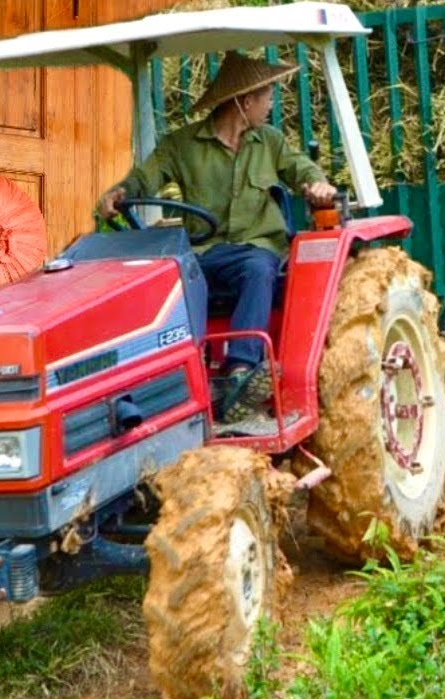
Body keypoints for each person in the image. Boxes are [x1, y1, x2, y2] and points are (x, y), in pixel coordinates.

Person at [97, 51, 338, 423]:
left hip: (255, 249)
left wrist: (317, 185)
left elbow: (301, 169)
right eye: (267, 97)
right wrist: (120, 191)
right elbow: (146, 176)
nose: (270, 106)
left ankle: (239, 373)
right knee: (163, 279)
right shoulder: (182, 145)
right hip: (204, 252)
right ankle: (164, 379)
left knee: (257, 268)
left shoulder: (270, 142)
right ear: (245, 102)